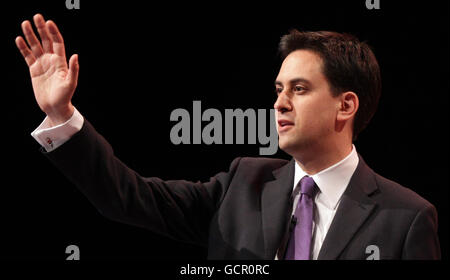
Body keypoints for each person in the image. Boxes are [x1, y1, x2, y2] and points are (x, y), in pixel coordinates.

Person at [16, 14, 441, 260]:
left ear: (345, 105)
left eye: (299, 89)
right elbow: (127, 197)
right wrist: (62, 114)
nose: (279, 104)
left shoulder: (405, 219)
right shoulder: (243, 184)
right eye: (278, 90)